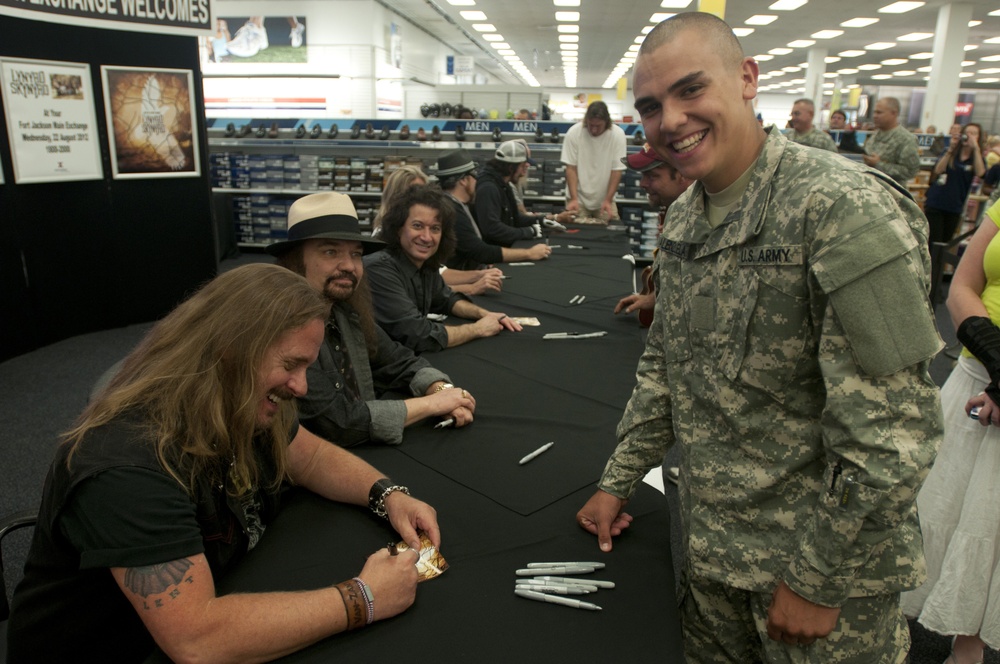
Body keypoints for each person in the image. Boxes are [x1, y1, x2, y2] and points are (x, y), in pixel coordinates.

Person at [575, 12, 943, 663]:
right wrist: (618, 478)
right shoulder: (686, 216)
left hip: (821, 586)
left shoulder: (842, 209)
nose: (672, 121)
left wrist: (818, 578)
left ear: (747, 79)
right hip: (714, 559)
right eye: (652, 106)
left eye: (692, 90)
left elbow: (894, 430)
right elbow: (665, 364)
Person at [6, 264, 440, 662]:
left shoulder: (238, 398)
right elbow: (198, 640)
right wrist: (363, 599)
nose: (302, 387)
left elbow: (308, 457)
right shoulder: (127, 469)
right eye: (291, 364)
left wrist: (388, 495)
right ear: (231, 350)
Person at [270, 192, 476, 446]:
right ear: (295, 260)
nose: (349, 265)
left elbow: (400, 360)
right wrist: (432, 404)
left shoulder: (345, 310)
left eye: (356, 254)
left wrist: (442, 389)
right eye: (331, 251)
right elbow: (338, 423)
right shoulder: (284, 329)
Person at [900, 197, 1000, 664]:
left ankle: (969, 649)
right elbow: (962, 284)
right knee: (934, 507)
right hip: (974, 377)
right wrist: (997, 359)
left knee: (990, 525)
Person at [364, 185, 522, 353]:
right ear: (398, 229)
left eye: (435, 228)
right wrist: (478, 329)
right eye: (417, 226)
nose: (426, 237)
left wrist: (484, 314)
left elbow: (446, 299)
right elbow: (418, 334)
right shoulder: (379, 269)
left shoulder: (425, 262)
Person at [612, 143, 693, 318]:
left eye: (652, 176)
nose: (642, 183)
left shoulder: (704, 225)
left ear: (682, 175)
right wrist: (654, 298)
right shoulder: (676, 214)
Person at [437, 149, 552, 270]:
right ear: (463, 180)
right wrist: (529, 253)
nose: (477, 179)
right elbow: (480, 251)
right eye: (474, 174)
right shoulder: (452, 211)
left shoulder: (456, 204)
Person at [561, 101, 627, 220]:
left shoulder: (618, 135)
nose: (594, 130)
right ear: (586, 120)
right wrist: (574, 198)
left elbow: (617, 171)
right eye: (591, 125)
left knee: (612, 234)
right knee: (574, 235)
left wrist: (608, 200)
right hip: (578, 198)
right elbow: (571, 169)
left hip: (605, 199)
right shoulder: (574, 133)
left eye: (598, 126)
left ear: (607, 123)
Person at [924, 122, 986, 247]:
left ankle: (939, 267)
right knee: (932, 243)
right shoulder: (952, 152)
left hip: (955, 207)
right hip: (936, 203)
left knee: (944, 244)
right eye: (967, 132)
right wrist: (950, 150)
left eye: (974, 134)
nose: (969, 136)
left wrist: (976, 149)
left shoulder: (975, 158)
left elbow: (980, 173)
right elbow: (938, 170)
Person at [474, 140, 546, 246]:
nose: (523, 172)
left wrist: (542, 221)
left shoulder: (503, 184)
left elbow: (515, 218)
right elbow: (492, 229)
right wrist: (529, 231)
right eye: (522, 166)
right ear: (511, 168)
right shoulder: (488, 188)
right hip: (493, 254)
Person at [863, 96, 921, 185]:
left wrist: (879, 164)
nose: (875, 116)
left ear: (894, 113)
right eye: (874, 112)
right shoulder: (875, 135)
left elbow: (910, 171)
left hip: (891, 193)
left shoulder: (906, 139)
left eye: (879, 112)